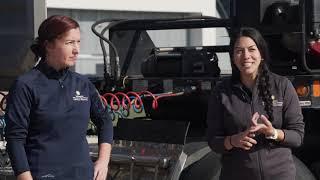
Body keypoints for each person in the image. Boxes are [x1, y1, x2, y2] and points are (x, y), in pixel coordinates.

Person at [5, 15, 113, 180]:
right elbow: (15, 138)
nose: (76, 49)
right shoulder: (26, 85)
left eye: (78, 42)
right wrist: (24, 176)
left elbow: (105, 120)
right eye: (69, 43)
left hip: (82, 175)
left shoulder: (83, 84)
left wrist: (103, 162)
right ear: (48, 45)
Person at [207, 27, 305, 180]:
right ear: (233, 57)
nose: (246, 56)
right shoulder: (221, 92)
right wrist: (234, 140)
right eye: (239, 51)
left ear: (262, 54)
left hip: (280, 175)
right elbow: (213, 141)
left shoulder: (282, 86)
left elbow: (297, 137)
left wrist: (273, 133)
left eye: (252, 49)